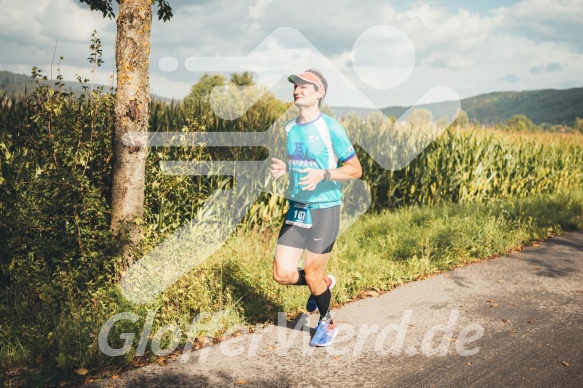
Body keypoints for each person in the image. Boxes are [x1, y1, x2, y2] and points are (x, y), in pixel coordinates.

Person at [270, 68, 362, 347]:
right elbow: (300, 161)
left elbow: (355, 170)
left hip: (325, 209)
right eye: (295, 86)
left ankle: (327, 322)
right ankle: (322, 284)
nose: (297, 90)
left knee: (312, 274)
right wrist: (286, 167)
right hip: (298, 208)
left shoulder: (331, 127)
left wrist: (324, 174)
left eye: (304, 86)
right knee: (282, 275)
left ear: (319, 93)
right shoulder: (290, 128)